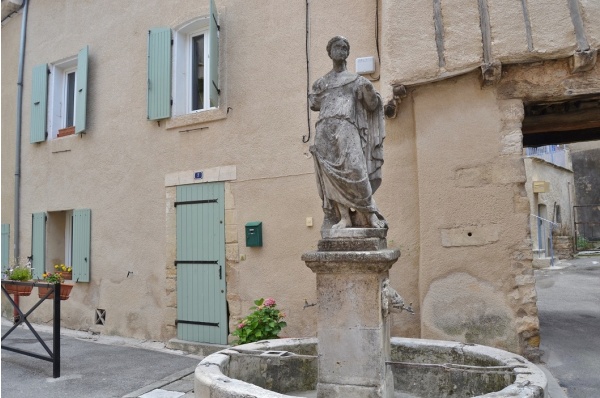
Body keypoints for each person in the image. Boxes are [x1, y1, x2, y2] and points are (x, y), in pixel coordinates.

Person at [309, 36, 387, 229]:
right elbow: (313, 104)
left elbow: (372, 104)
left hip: (347, 127)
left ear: (347, 52)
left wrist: (369, 90)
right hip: (324, 129)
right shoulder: (322, 83)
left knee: (355, 169)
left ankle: (368, 213)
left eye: (345, 47)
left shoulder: (356, 81)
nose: (341, 50)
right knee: (331, 176)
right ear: (330, 52)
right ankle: (344, 217)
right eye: (337, 46)